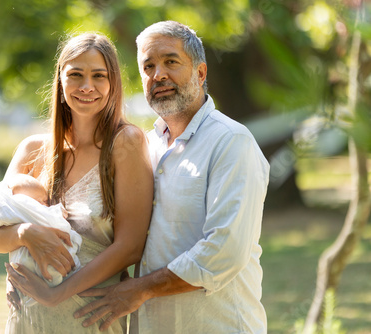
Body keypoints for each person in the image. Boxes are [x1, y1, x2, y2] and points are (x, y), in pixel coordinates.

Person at [74, 21, 270, 333]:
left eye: (171, 62)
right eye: (148, 66)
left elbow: (224, 252)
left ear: (201, 73)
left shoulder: (231, 142)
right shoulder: (144, 148)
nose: (158, 75)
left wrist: (141, 289)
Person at [0, 32, 153, 334]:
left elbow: (131, 246)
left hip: (89, 319)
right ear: (60, 82)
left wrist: (58, 293)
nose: (87, 86)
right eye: (76, 75)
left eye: (99, 75)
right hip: (27, 320)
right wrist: (26, 233)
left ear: (112, 85)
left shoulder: (126, 143)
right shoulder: (32, 150)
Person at [0, 173, 82, 300]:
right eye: (43, 200)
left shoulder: (7, 211)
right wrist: (25, 232)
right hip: (58, 269)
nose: (46, 204)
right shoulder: (21, 205)